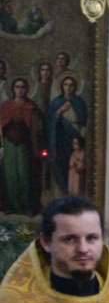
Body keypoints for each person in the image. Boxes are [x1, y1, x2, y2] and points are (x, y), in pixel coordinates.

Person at [0, 77, 45, 213]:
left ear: (27, 89)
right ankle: (11, 206)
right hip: (8, 144)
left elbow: (37, 128)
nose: (20, 90)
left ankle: (27, 207)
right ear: (13, 89)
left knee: (25, 175)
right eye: (17, 87)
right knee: (10, 175)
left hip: (25, 145)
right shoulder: (6, 106)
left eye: (22, 87)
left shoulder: (31, 107)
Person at [45, 75, 88, 193]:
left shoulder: (79, 102)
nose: (68, 87)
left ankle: (74, 191)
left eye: (71, 85)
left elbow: (84, 121)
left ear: (75, 87)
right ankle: (62, 190)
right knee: (62, 163)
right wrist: (60, 111)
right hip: (60, 138)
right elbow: (50, 122)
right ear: (61, 86)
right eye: (66, 84)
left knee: (75, 165)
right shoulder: (56, 102)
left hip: (75, 137)